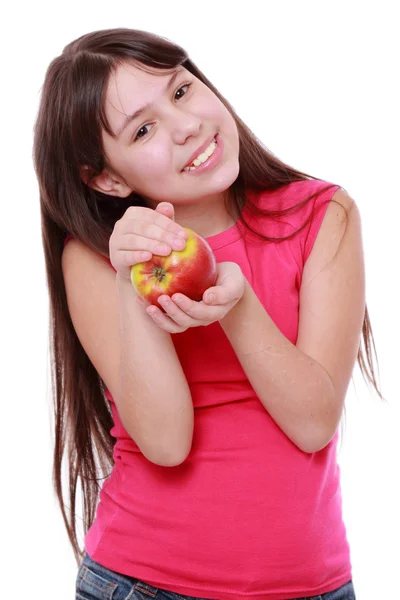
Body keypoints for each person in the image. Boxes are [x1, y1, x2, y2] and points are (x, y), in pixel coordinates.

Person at [33, 27, 382, 600]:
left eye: (180, 91)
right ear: (108, 177)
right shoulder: (96, 257)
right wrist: (130, 281)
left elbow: (314, 422)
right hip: (142, 585)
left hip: (314, 587)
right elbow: (166, 443)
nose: (186, 124)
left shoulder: (323, 215)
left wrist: (237, 305)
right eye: (143, 129)